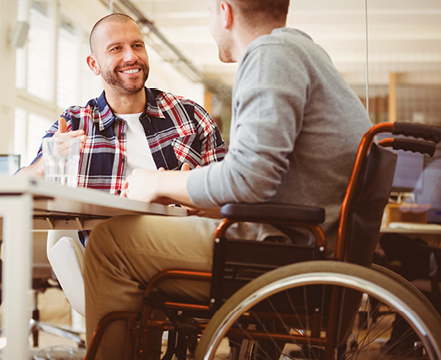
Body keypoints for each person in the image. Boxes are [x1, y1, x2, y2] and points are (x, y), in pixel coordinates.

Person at [83, 0, 372, 358]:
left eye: (208, 14)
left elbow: (248, 179)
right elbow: (263, 178)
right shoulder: (308, 53)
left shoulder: (270, 55)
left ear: (225, 11)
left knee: (109, 243)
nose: (210, 25)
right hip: (311, 245)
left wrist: (157, 182)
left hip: (283, 254)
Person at [17, 13, 226, 245]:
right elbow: (17, 190)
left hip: (181, 254)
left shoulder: (191, 116)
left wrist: (195, 200)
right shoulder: (74, 123)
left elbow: (232, 201)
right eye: (116, 48)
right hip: (103, 258)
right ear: (94, 64)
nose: (131, 56)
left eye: (137, 45)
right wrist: (45, 164)